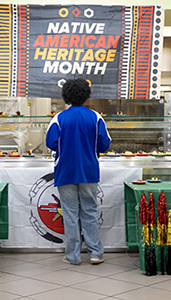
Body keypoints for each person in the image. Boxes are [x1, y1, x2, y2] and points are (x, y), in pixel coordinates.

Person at [46, 78, 111, 265]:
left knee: (70, 213)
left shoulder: (59, 118)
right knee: (89, 211)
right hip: (89, 171)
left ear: (66, 96)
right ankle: (95, 253)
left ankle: (73, 256)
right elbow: (104, 144)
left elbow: (51, 143)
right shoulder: (96, 117)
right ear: (86, 96)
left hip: (65, 171)